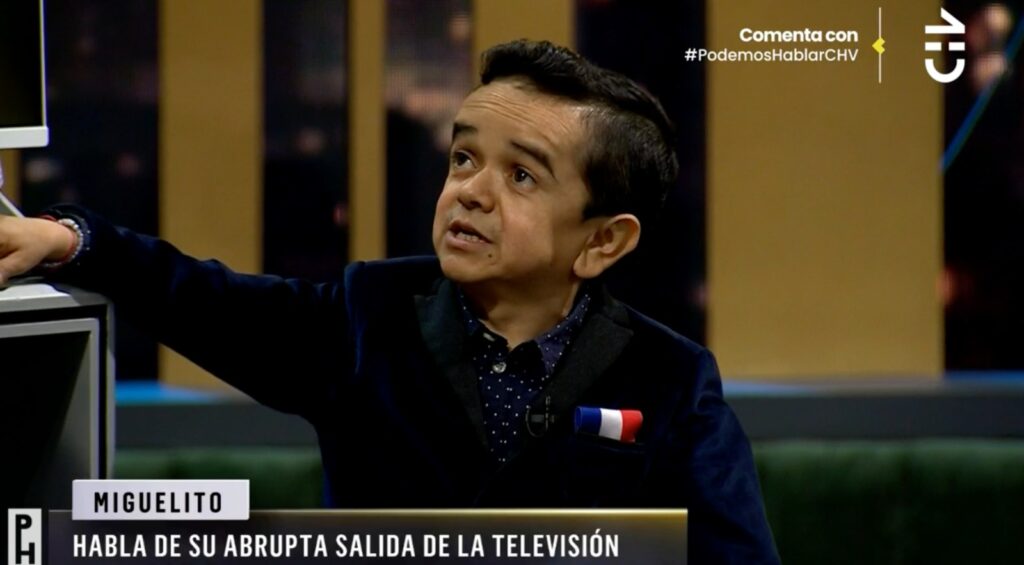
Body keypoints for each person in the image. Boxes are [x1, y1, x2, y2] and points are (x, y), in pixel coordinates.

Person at [0, 40, 779, 563]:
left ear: (602, 241)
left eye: (520, 175)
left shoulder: (672, 380)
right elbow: (204, 299)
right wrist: (71, 241)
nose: (470, 191)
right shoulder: (368, 313)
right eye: (464, 157)